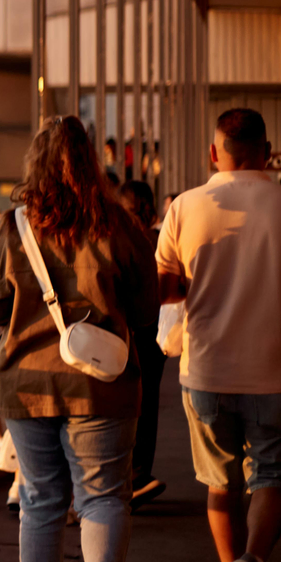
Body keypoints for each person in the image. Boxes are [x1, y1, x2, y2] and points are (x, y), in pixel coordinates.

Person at [0, 116, 156, 562]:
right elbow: (145, 309)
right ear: (92, 162)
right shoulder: (118, 225)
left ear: (35, 164)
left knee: (41, 497)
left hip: (27, 385)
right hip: (102, 384)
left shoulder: (14, 226)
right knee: (101, 494)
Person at [156, 107, 281, 562]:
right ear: (268, 151)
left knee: (218, 484)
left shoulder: (186, 207)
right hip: (277, 372)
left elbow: (162, 287)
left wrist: (203, 283)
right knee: (274, 478)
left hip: (206, 370)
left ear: (215, 153)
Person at [115, 179, 168, 510]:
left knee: (126, 406)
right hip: (153, 335)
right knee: (147, 404)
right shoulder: (158, 240)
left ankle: (129, 477)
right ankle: (137, 474)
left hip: (129, 334)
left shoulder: (122, 241)